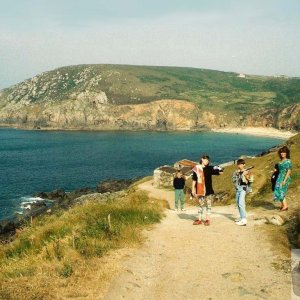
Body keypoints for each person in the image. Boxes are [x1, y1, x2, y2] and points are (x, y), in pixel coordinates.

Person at [192, 154, 223, 226]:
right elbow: (194, 180)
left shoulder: (210, 168)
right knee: (200, 205)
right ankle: (199, 219)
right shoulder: (197, 168)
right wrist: (193, 189)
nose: (207, 161)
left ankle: (207, 220)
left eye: (208, 160)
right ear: (202, 159)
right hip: (199, 190)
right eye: (205, 159)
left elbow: (220, 173)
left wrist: (219, 168)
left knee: (208, 206)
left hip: (208, 190)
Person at [232, 159, 251, 226]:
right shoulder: (235, 172)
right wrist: (239, 174)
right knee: (238, 203)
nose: (239, 166)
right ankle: (241, 216)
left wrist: (245, 175)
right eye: (238, 164)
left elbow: (250, 180)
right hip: (238, 188)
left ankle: (244, 220)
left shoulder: (247, 171)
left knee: (241, 203)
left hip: (243, 188)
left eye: (241, 164)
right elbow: (234, 180)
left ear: (244, 164)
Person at [274, 146, 292, 211]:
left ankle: (285, 206)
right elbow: (280, 169)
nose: (282, 153)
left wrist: (284, 180)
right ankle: (283, 205)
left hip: (284, 177)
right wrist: (276, 170)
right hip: (279, 177)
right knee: (277, 191)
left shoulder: (288, 161)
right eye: (281, 152)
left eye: (284, 152)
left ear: (286, 153)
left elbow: (289, 171)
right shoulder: (281, 161)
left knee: (281, 191)